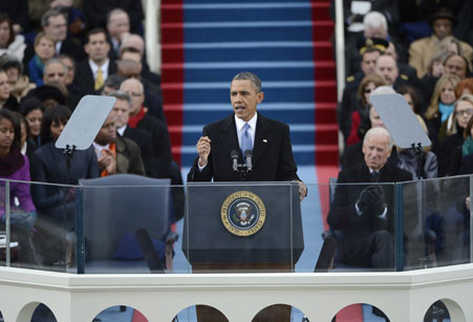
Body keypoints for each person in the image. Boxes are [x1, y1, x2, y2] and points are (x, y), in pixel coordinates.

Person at [187, 72, 307, 200]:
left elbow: (287, 173)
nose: (238, 99)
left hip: (267, 207)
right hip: (225, 208)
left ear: (259, 97)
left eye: (244, 93)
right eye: (234, 94)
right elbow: (197, 185)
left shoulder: (278, 131)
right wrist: (202, 162)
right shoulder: (213, 132)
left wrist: (297, 184)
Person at [328, 127, 412, 268]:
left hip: (390, 246)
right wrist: (357, 207)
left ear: (388, 153)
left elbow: (409, 222)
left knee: (383, 237)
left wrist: (383, 211)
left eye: (379, 150)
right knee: (382, 239)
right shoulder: (347, 176)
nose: (374, 154)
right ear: (363, 149)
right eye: (371, 148)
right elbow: (333, 219)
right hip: (356, 247)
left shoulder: (402, 178)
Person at [30, 105, 99, 267]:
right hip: (54, 215)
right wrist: (65, 195)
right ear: (48, 128)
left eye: (66, 123)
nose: (62, 129)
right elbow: (40, 200)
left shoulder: (87, 150)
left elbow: (94, 187)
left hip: (85, 212)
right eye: (56, 125)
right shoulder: (41, 156)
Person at [0, 109, 38, 264]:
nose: (8, 135)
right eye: (3, 130)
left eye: (11, 131)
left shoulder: (22, 161)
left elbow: (24, 195)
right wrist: (3, 214)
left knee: (27, 236)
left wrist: (31, 213)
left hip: (11, 216)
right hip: (4, 215)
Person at [409, 7, 473, 78]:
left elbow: (468, 75)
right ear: (432, 26)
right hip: (426, 84)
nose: (442, 29)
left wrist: (457, 53)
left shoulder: (466, 48)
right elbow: (414, 74)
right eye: (438, 25)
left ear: (452, 27)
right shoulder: (417, 46)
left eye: (446, 25)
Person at [72, 28, 117, 105]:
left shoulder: (118, 69)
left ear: (108, 47)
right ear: (86, 48)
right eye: (94, 43)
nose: (98, 47)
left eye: (101, 42)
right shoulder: (76, 71)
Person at [93, 111, 145, 176]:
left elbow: (138, 179)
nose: (112, 129)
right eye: (106, 126)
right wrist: (98, 168)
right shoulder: (82, 150)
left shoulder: (130, 146)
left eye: (112, 124)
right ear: (94, 129)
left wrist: (114, 172)